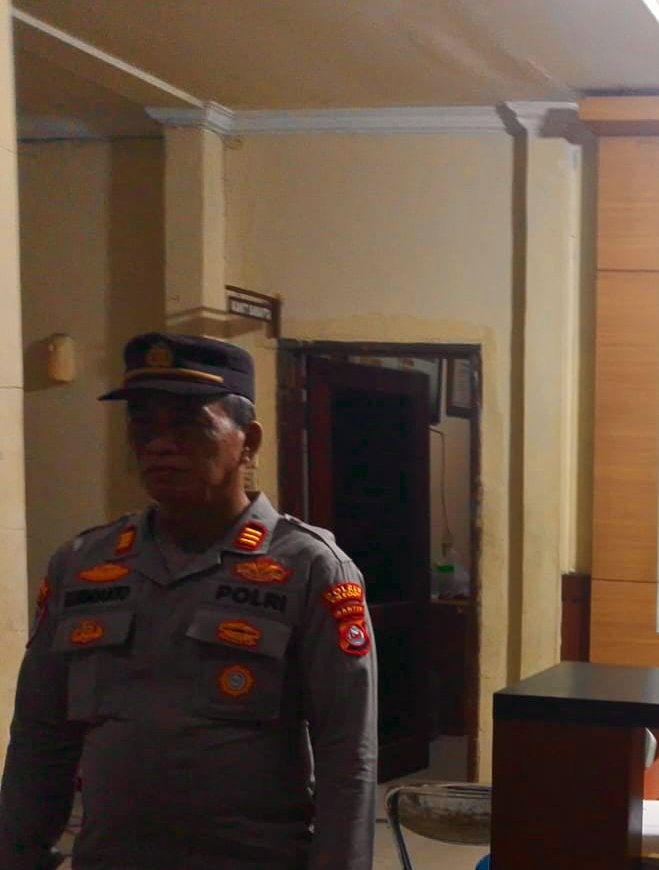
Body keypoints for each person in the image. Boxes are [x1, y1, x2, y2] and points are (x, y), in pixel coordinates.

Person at [0, 333, 378, 870]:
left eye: (186, 424)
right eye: (142, 425)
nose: (158, 444)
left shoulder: (309, 567)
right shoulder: (82, 565)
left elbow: (348, 757)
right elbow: (40, 737)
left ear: (248, 442)